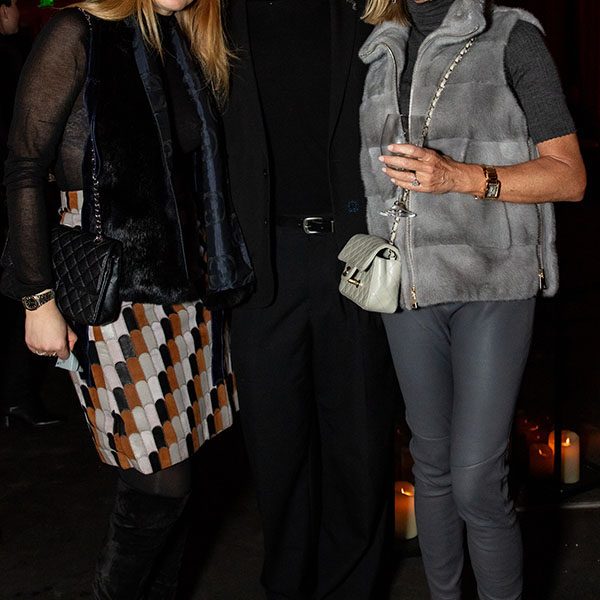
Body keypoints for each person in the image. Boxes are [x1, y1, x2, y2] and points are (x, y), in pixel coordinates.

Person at [2, 0, 252, 596]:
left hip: (185, 284)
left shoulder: (184, 41)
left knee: (181, 469)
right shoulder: (77, 31)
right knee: (159, 479)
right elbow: (24, 166)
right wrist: (36, 298)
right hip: (113, 283)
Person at [359, 0, 586, 598]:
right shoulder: (381, 48)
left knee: (476, 481)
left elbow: (570, 176)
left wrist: (458, 176)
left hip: (494, 285)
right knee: (431, 468)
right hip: (409, 287)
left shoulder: (510, 36)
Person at [222, 1, 399, 598]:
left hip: (355, 251)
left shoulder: (369, 8)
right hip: (260, 263)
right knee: (276, 454)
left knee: (361, 446)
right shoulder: (215, 15)